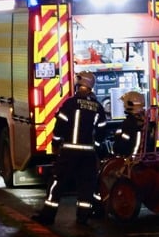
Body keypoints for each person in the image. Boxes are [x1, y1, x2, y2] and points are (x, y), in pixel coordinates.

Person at [33, 71, 108, 226]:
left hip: (69, 152)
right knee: (86, 186)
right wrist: (97, 148)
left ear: (79, 85)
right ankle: (83, 218)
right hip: (87, 154)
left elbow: (60, 125)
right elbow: (102, 131)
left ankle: (48, 216)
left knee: (57, 182)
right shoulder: (98, 107)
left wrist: (55, 143)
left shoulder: (70, 104)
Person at [112, 90, 152, 157]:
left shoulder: (129, 123)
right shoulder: (145, 121)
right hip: (143, 157)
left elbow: (123, 145)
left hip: (131, 160)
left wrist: (115, 151)